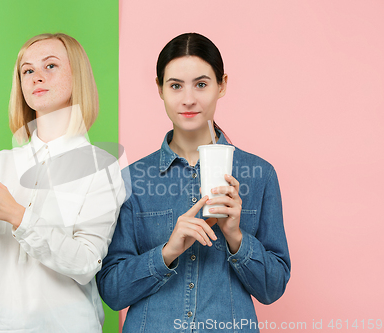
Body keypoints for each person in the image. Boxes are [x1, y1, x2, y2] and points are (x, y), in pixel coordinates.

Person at [96, 32, 291, 332]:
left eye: (201, 84)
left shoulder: (259, 174)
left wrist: (235, 236)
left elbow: (272, 288)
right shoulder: (132, 179)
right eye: (175, 85)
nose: (188, 99)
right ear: (159, 88)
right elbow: (112, 290)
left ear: (222, 85)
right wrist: (167, 252)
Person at [0, 33, 125, 333]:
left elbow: (85, 263)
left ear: (77, 75)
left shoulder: (101, 167)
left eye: (51, 66)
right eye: (27, 70)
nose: (36, 77)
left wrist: (16, 214)